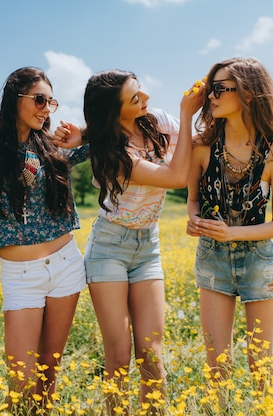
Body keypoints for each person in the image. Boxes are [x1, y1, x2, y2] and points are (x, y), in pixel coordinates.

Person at [54, 69, 204, 415]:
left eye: (141, 91)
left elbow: (202, 142)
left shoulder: (157, 122)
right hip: (110, 248)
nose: (146, 99)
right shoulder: (112, 153)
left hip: (147, 246)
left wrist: (267, 160)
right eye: (135, 99)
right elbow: (175, 177)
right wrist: (186, 111)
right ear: (115, 112)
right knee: (119, 356)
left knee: (152, 353)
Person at [0, 67, 89, 412]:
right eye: (39, 99)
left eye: (51, 102)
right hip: (21, 276)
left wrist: (81, 134)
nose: (46, 108)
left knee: (48, 373)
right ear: (15, 99)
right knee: (21, 381)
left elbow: (108, 134)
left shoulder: (53, 149)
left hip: (66, 266)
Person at [185, 57, 273, 408]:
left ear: (247, 93)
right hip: (211, 259)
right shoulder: (201, 147)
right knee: (217, 365)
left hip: (258, 259)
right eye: (210, 90)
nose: (211, 98)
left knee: (260, 363)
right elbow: (191, 200)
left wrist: (231, 234)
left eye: (219, 89)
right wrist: (195, 220)